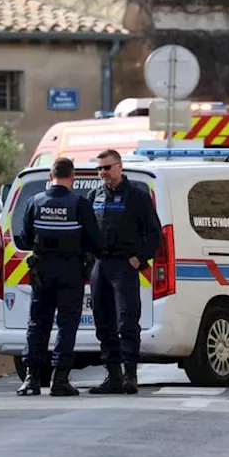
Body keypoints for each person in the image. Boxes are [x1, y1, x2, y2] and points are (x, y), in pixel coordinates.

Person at [17, 157, 102, 397]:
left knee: (37, 323)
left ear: (50, 178)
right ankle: (60, 379)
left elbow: (24, 239)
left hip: (42, 272)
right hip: (71, 272)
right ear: (72, 177)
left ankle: (31, 379)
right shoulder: (79, 204)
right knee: (66, 325)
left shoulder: (35, 202)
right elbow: (95, 241)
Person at [87, 148, 162, 394]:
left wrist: (139, 258)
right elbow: (86, 233)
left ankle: (130, 374)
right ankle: (112, 375)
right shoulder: (94, 195)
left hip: (124, 265)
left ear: (119, 167)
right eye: (99, 169)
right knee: (103, 321)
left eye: (107, 168)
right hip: (101, 264)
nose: (103, 173)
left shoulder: (137, 197)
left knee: (127, 320)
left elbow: (154, 234)